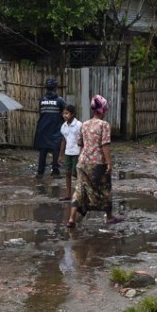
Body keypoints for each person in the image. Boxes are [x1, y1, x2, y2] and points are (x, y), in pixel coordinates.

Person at [67, 95, 122, 226]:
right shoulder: (104, 125)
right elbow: (105, 145)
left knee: (79, 190)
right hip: (97, 163)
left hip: (82, 162)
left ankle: (71, 219)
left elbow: (80, 143)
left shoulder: (84, 124)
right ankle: (109, 216)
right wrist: (109, 162)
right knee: (105, 189)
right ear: (102, 110)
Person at [34, 77, 66, 177]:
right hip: (56, 130)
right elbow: (65, 113)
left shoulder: (42, 100)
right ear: (56, 88)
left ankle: (40, 172)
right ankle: (55, 171)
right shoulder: (60, 101)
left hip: (43, 129)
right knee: (56, 150)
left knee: (43, 151)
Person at [58, 104, 82, 201]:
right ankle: (68, 194)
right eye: (63, 113)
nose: (64, 115)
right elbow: (64, 140)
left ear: (73, 114)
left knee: (76, 173)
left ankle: (80, 193)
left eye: (67, 113)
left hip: (77, 152)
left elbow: (83, 138)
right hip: (68, 152)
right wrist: (60, 155)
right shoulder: (63, 126)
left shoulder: (79, 125)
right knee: (67, 172)